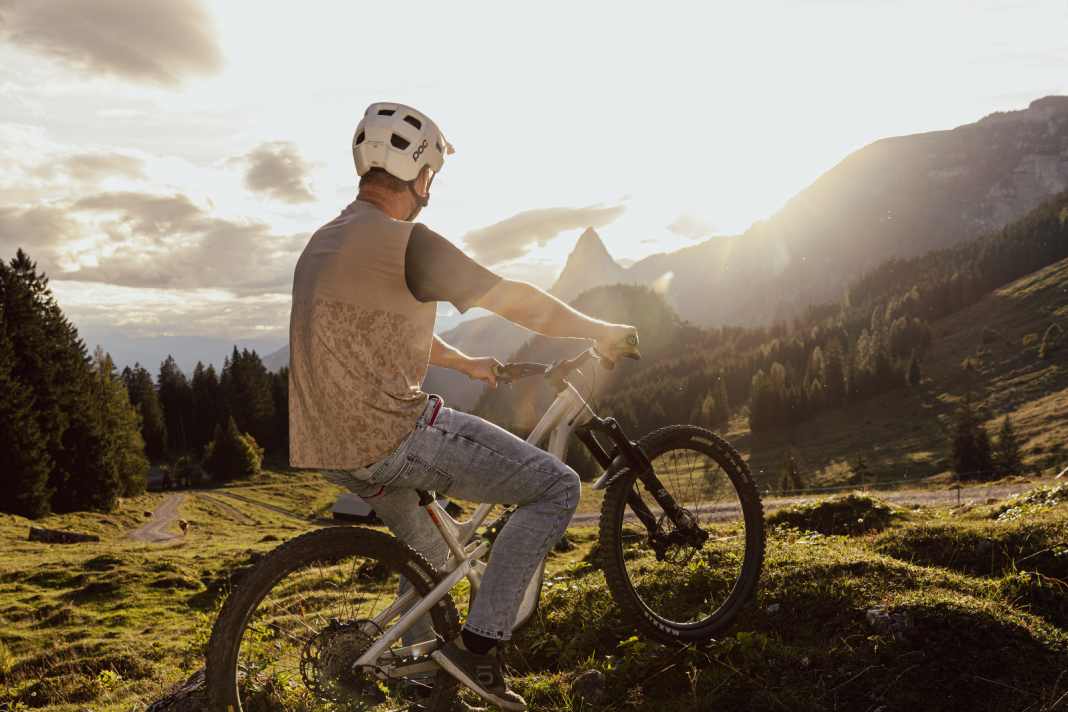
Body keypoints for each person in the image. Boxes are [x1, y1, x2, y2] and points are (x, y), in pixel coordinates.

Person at [288, 102, 638, 710]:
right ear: (420, 174)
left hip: (332, 450)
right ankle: (479, 651)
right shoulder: (408, 243)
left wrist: (466, 364)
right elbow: (517, 302)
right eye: (432, 176)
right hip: (394, 437)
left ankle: (432, 686)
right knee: (556, 487)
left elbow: (379, 332)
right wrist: (599, 328)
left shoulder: (327, 242)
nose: (431, 189)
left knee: (426, 556)